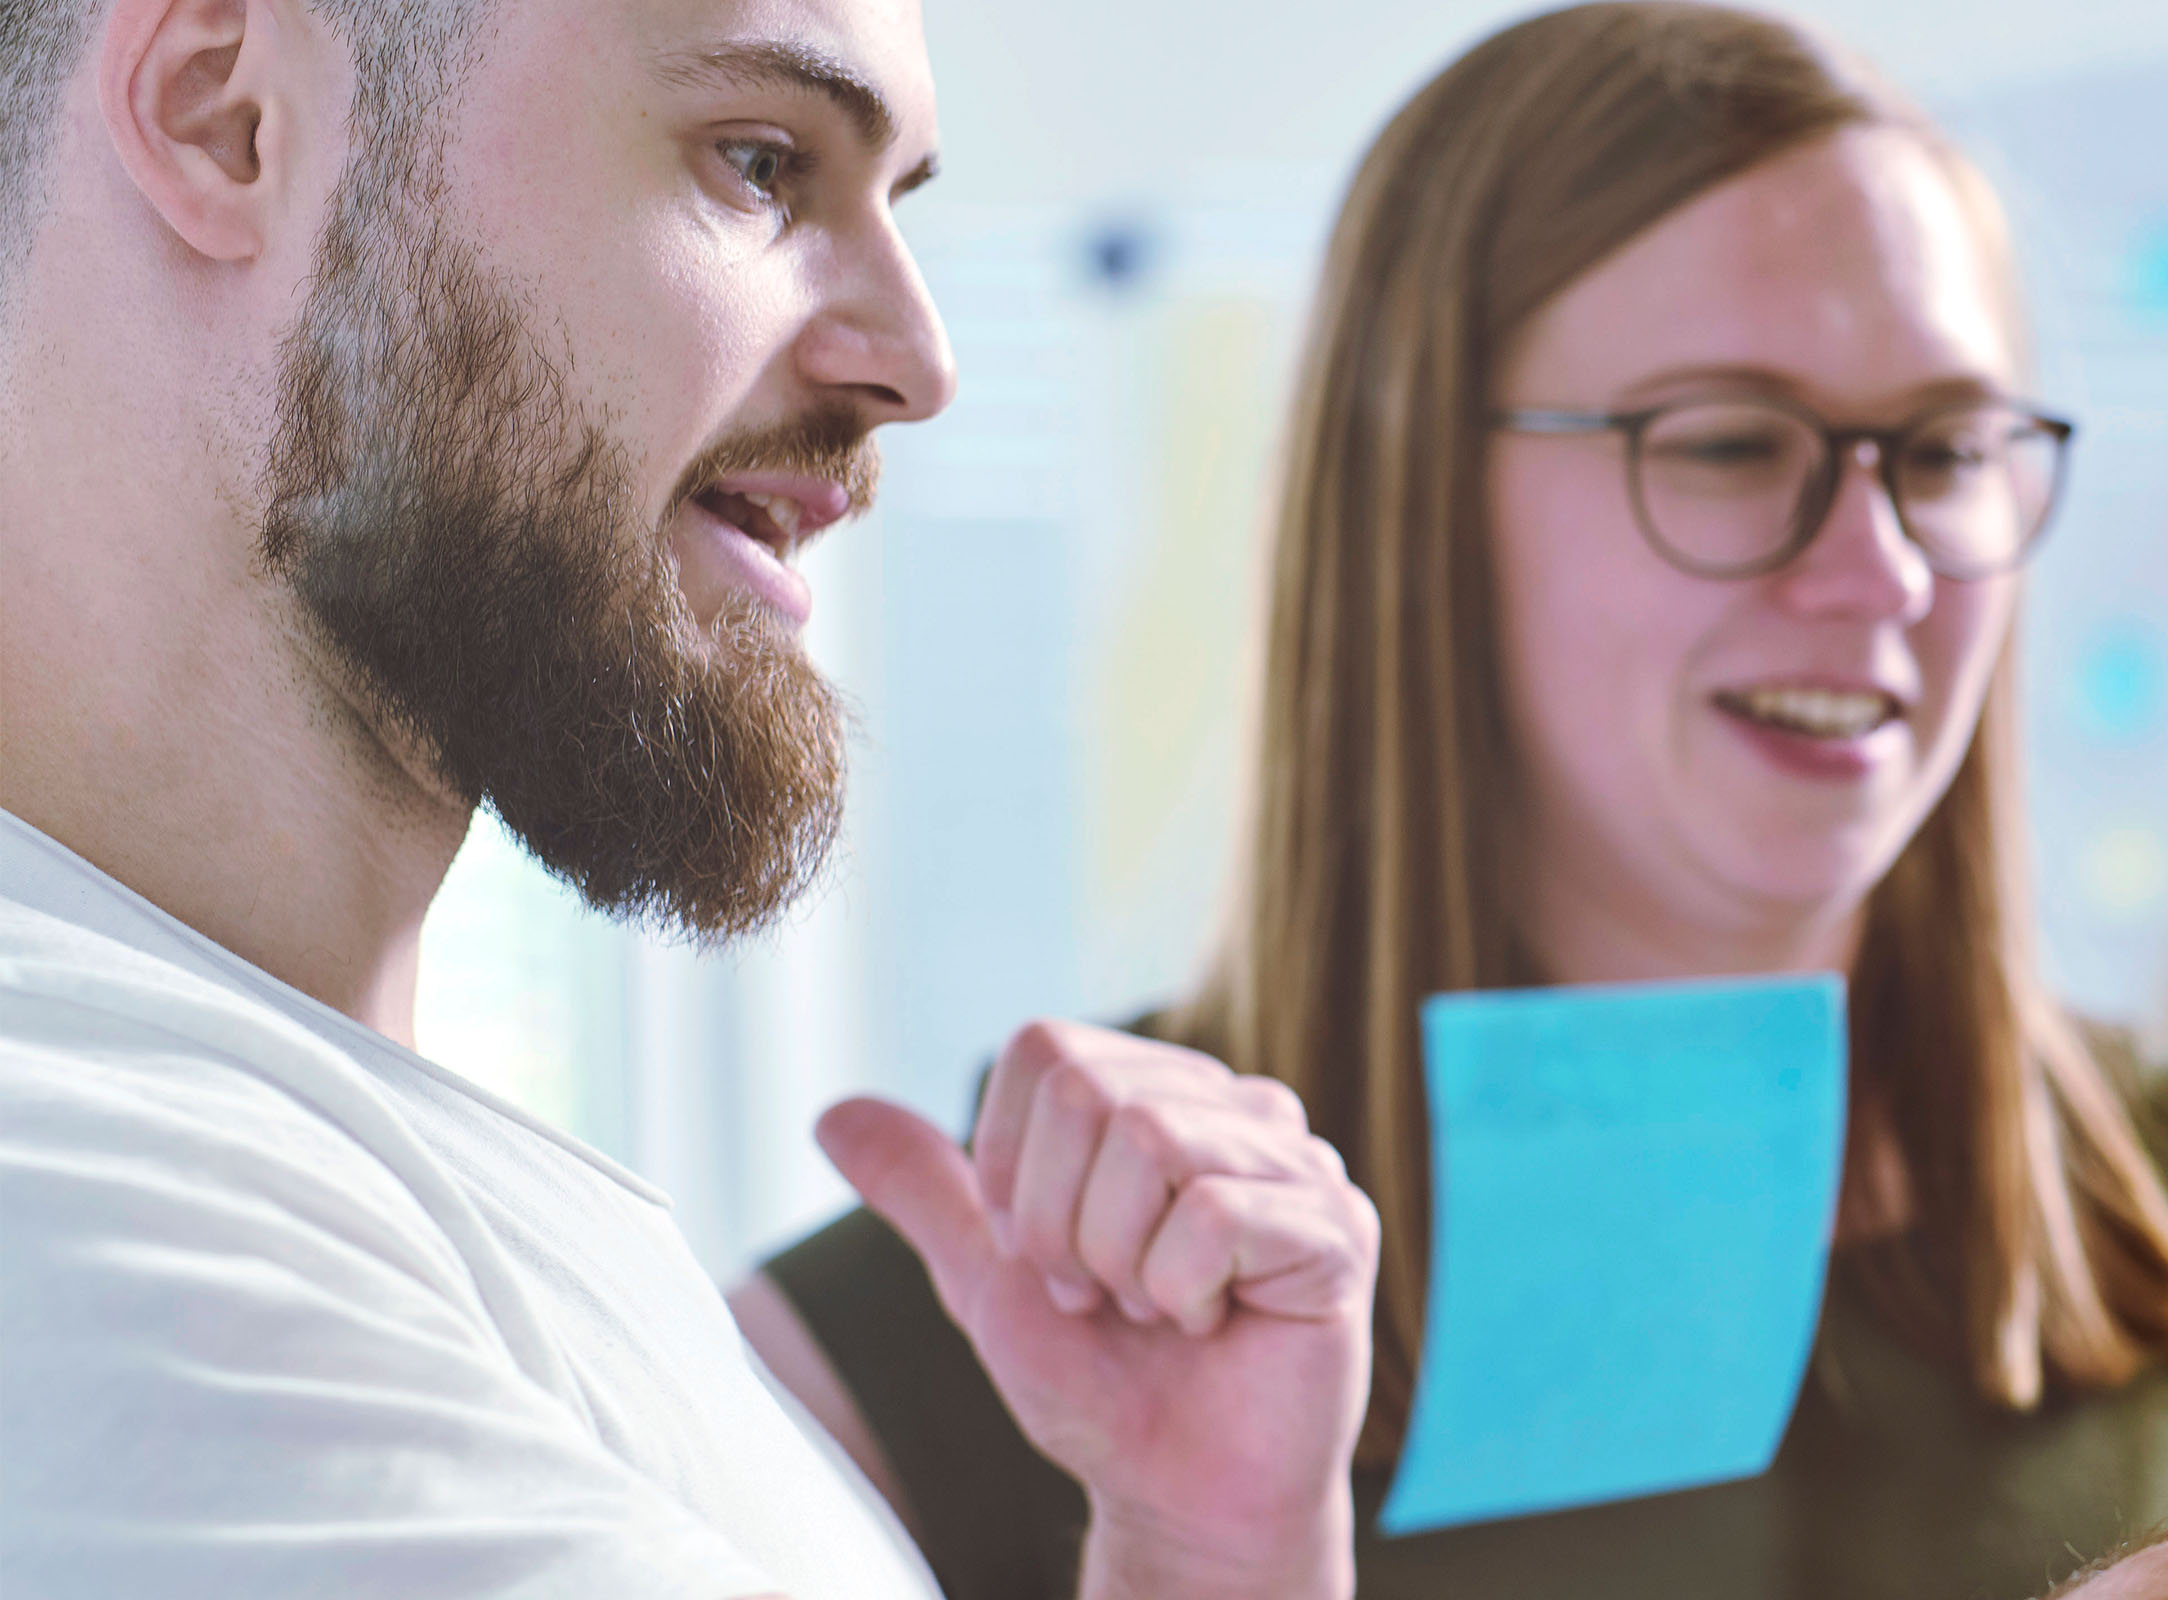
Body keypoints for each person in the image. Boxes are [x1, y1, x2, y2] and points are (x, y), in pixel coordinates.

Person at [0, 0, 2168, 1594]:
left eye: (1952, 443)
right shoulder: (965, 1299)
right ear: (1409, 522)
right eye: (1723, 441)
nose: (1878, 566)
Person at [0, 0, 1383, 1595]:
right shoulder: (87, 1222)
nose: (922, 366)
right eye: (761, 162)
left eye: (895, 200)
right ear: (223, 116)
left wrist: (1210, 1551)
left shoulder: (339, 1163)